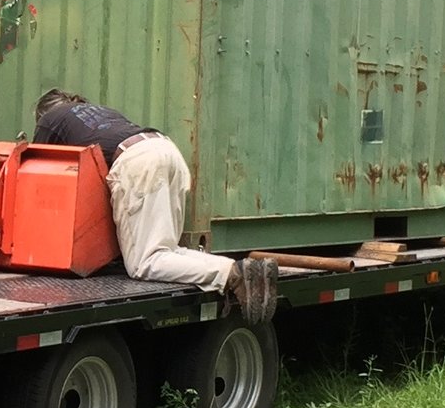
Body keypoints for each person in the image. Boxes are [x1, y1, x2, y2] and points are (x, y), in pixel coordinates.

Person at [34, 89, 274, 323]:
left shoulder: (50, 120)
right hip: (166, 151)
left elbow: (34, 177)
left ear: (42, 113)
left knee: (146, 263)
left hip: (139, 163)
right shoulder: (97, 114)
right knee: (166, 250)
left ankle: (232, 275)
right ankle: (241, 268)